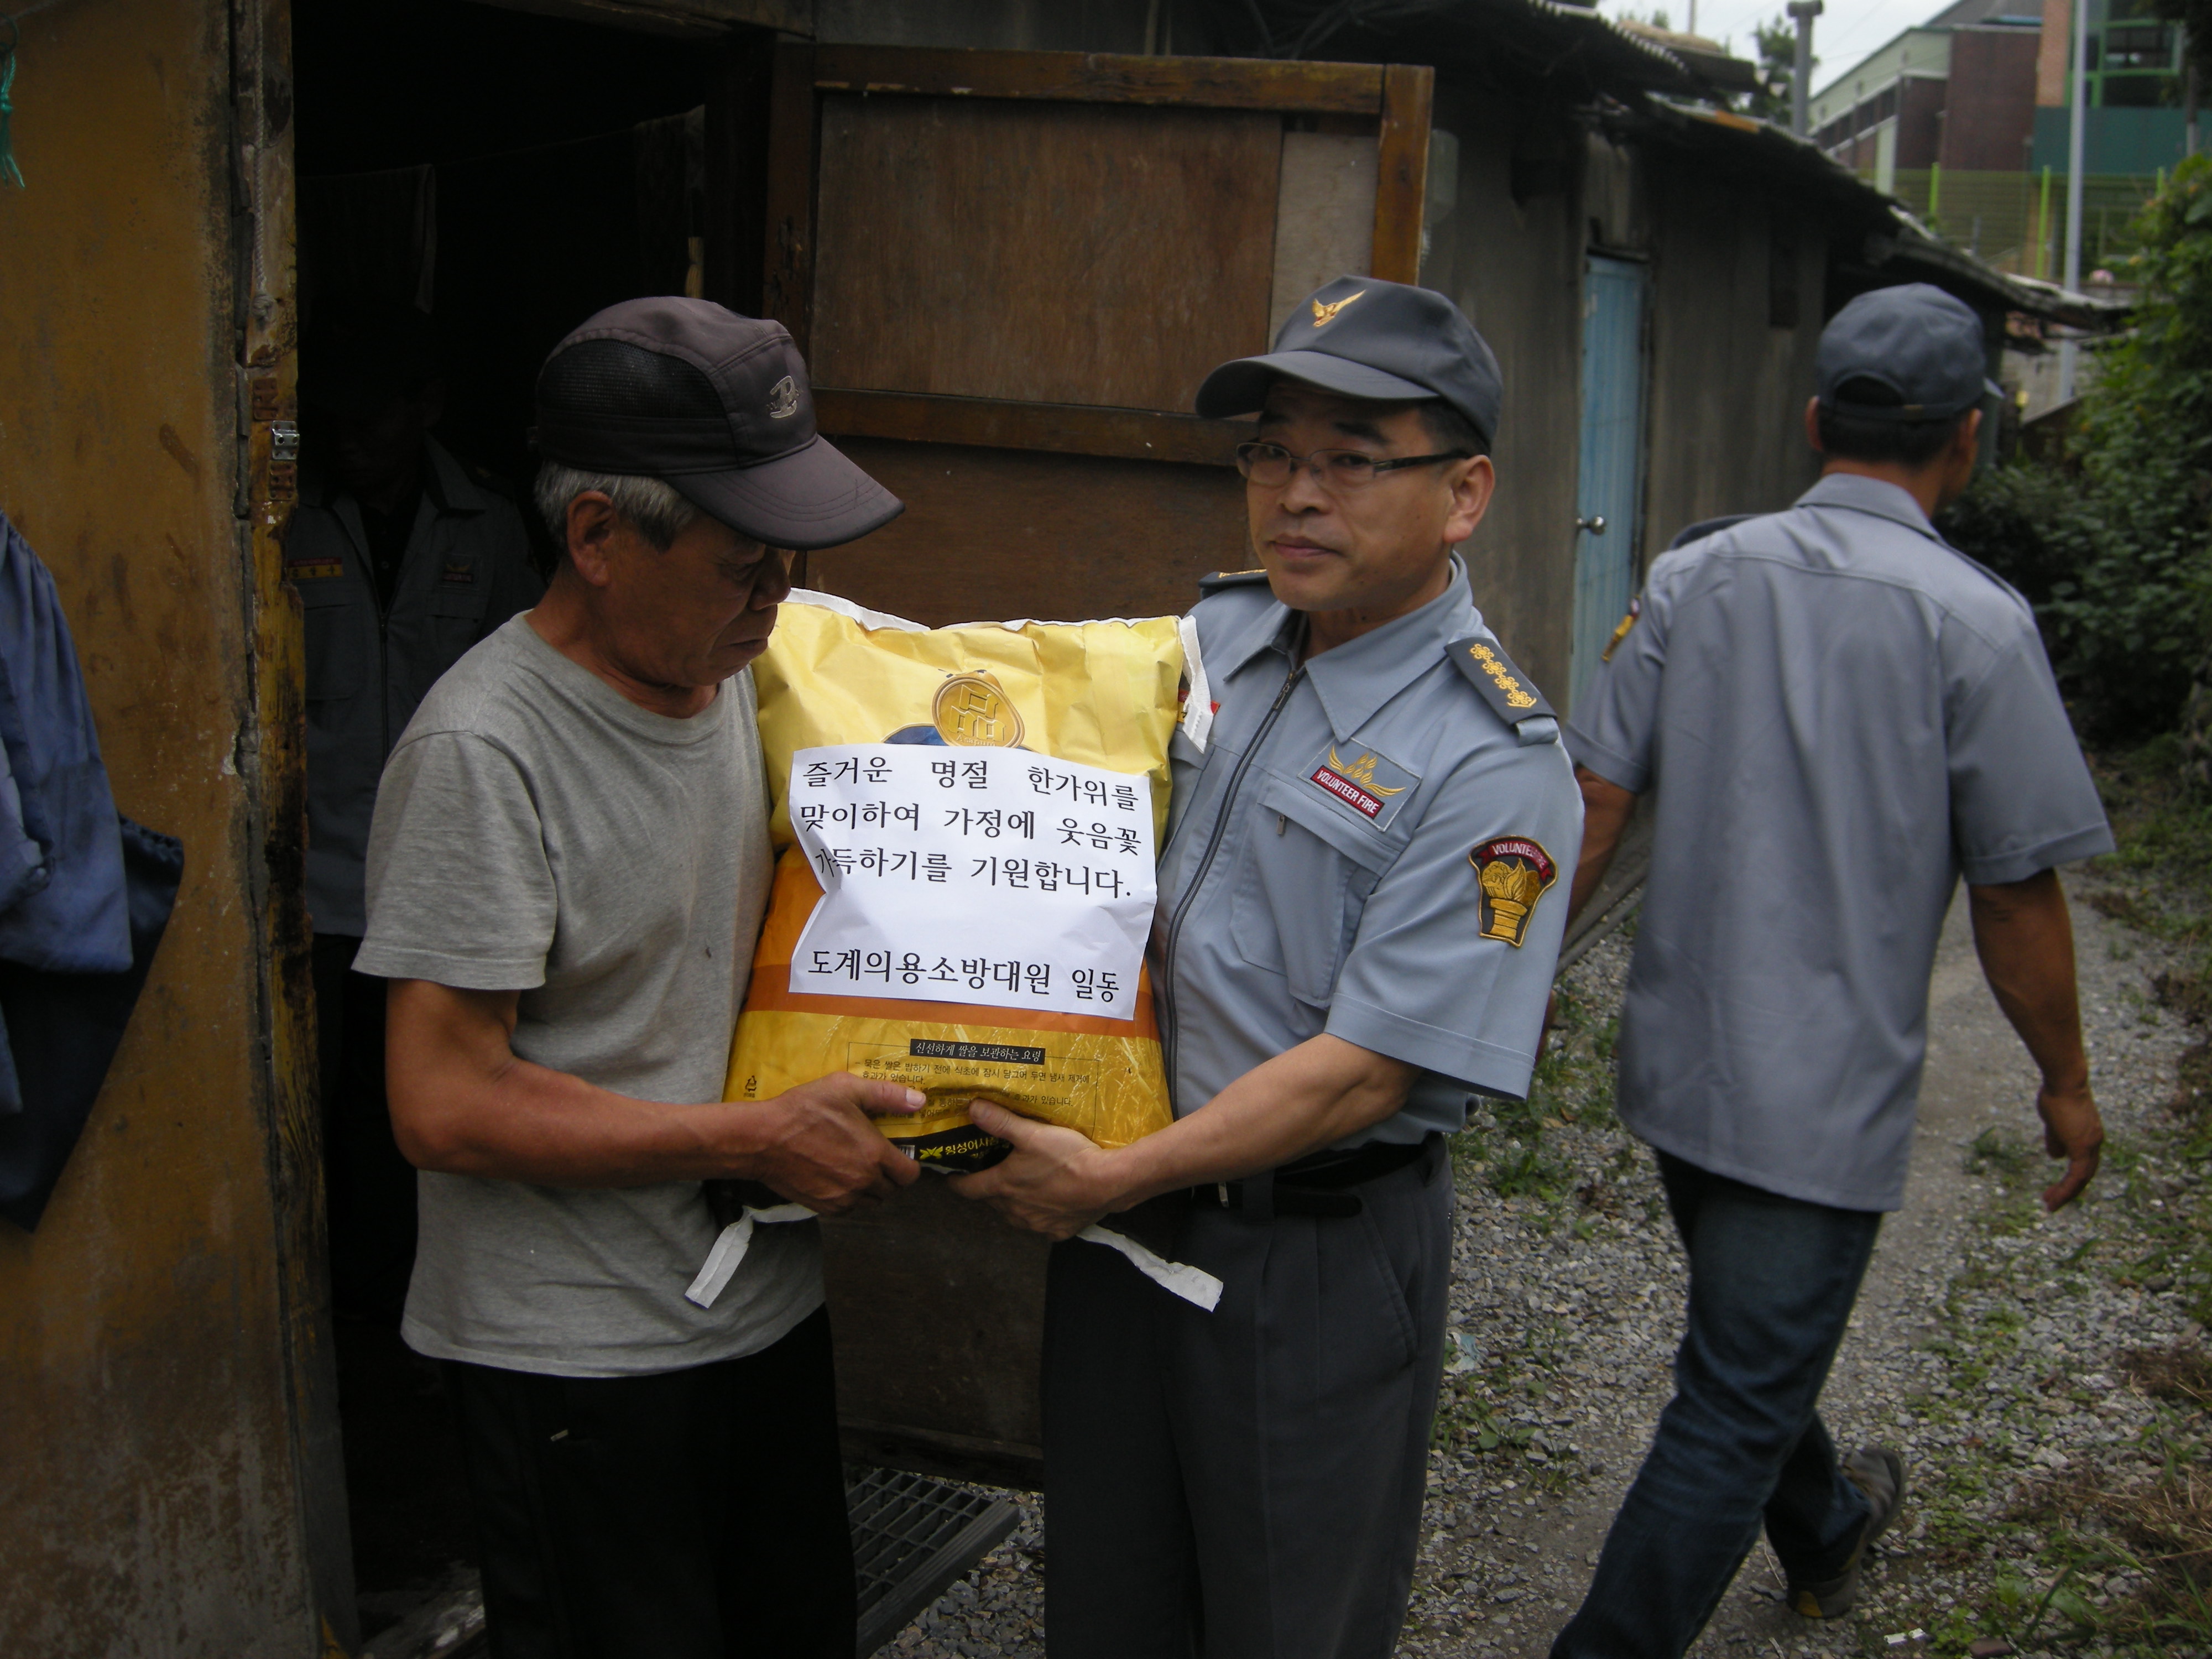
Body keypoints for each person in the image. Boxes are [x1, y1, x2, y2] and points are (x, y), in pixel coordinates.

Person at [958, 276, 1584, 1658]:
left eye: (1351, 460)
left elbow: (1368, 1071)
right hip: (1122, 1214)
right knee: (1110, 1607)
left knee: (1285, 1622)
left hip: (1305, 1251)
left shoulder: (1492, 760)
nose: (1296, 495)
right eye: (1271, 452)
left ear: (1463, 494)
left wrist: (1113, 1175)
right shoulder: (1207, 645)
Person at [354, 298, 923, 1659]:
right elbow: (441, 1103)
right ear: (599, 538)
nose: (776, 598)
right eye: (741, 566)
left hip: (761, 1310)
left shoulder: (758, 675)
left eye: (789, 561)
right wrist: (752, 1139)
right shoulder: (483, 755)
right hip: (579, 1358)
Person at [1550, 283, 2112, 1657]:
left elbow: (1593, 799)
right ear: (1968, 437)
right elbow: (2013, 889)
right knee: (1733, 1396)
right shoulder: (1975, 623)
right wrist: (2064, 1080)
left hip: (1677, 1061)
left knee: (1748, 1344)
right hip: (1816, 1104)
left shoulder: (1694, 576)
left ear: (1813, 423)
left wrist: (1493, 987)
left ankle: (1825, 1529)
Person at [289, 302, 543, 1323]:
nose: (348, 440)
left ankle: (403, 1311)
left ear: (425, 407)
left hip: (442, 878)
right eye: (333, 419)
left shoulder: (487, 520)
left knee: (420, 1107)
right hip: (312, 877)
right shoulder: (284, 511)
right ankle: (330, 1311)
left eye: (370, 418)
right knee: (315, 1106)